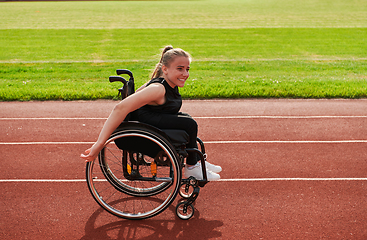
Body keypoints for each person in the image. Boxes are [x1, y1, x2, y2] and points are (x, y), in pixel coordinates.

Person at [81, 46, 222, 181]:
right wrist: (100, 143)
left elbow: (137, 94)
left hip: (151, 118)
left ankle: (196, 161)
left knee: (187, 119)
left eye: (187, 69)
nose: (185, 74)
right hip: (143, 126)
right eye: (180, 69)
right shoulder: (158, 89)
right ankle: (192, 167)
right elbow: (120, 108)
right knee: (190, 124)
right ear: (165, 69)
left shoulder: (167, 83)